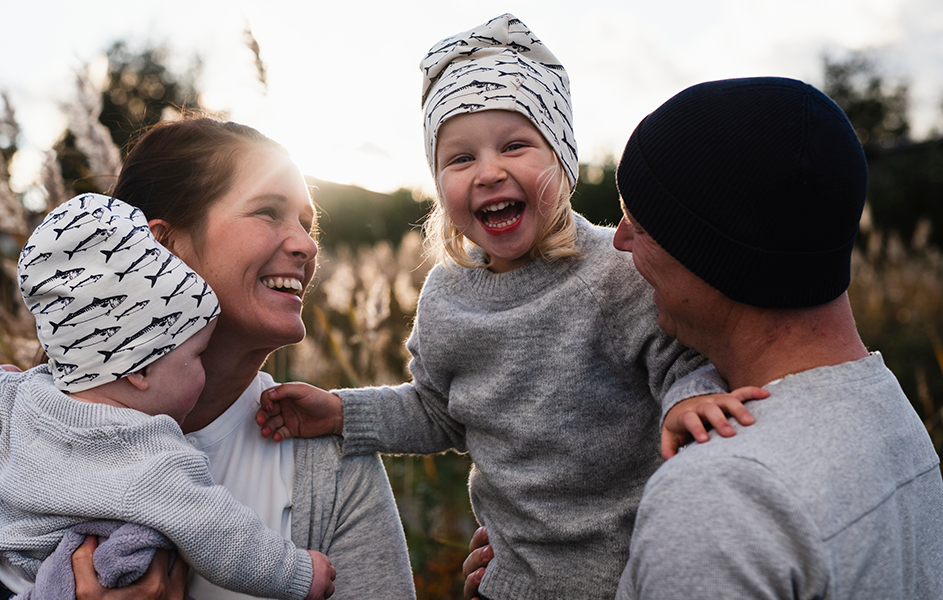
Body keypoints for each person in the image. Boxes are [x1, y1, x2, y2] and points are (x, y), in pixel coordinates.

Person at [255, 14, 760, 600]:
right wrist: (342, 413)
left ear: (562, 161)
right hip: (511, 583)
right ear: (438, 185)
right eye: (460, 159)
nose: (489, 172)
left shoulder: (616, 274)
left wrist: (690, 399)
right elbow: (439, 411)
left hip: (635, 575)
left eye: (516, 145)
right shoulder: (447, 298)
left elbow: (679, 363)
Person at [0, 117, 415, 599]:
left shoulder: (328, 460)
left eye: (308, 223)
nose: (306, 245)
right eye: (268, 212)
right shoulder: (11, 430)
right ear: (161, 246)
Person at [0, 193, 333, 600]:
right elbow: (222, 534)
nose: (202, 368)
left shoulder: (15, 400)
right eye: (197, 355)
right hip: (64, 583)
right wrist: (298, 573)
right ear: (139, 370)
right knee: (138, 551)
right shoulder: (152, 454)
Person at [610, 77, 943, 598]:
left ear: (716, 255)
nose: (619, 240)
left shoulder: (721, 501)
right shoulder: (888, 410)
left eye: (641, 224)